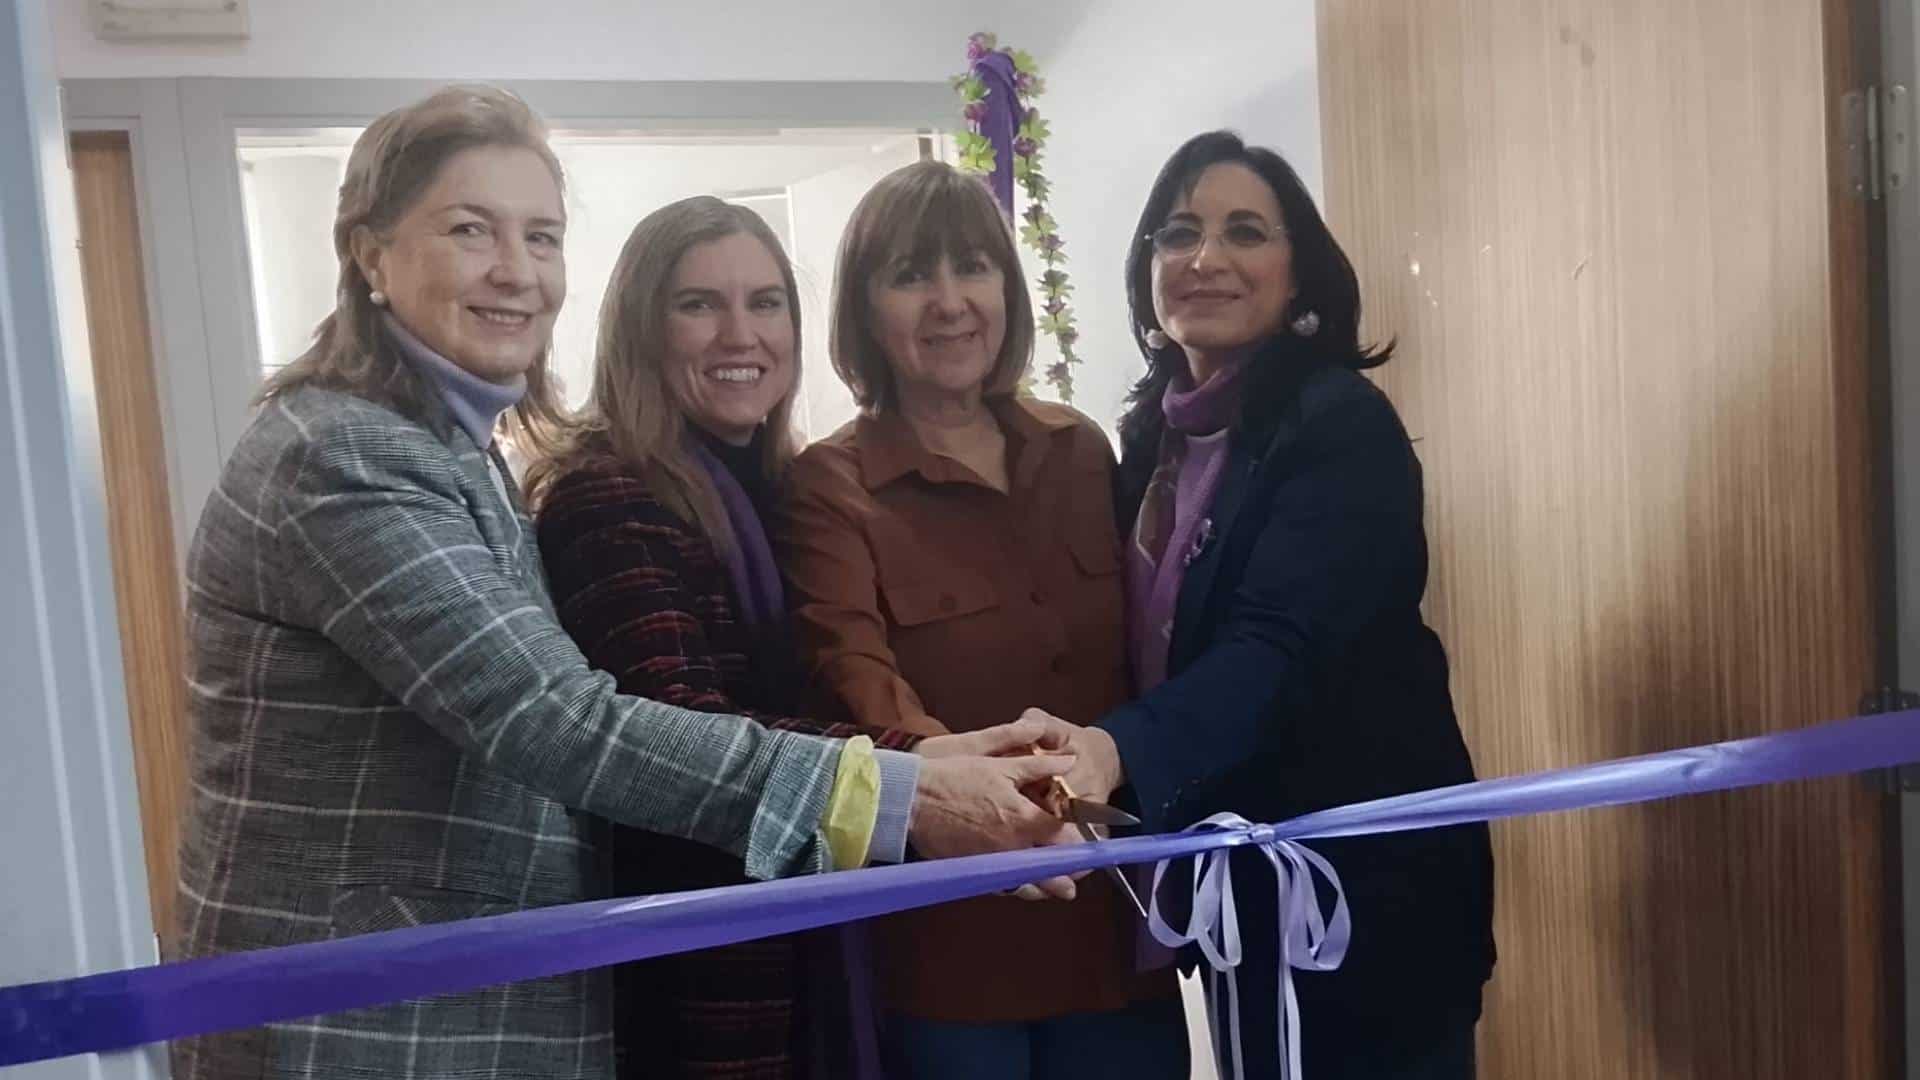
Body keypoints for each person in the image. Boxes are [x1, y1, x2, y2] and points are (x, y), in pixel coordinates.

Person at [170, 85, 1079, 1080]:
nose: (516, 271)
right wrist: (905, 791)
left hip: (484, 1007)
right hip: (370, 1030)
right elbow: (557, 721)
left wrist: (934, 764)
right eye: (472, 230)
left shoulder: (457, 450)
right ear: (371, 253)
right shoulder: (344, 454)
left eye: (542, 237)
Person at [1046, 130, 1497, 1079]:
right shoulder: (1153, 441)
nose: (1204, 257)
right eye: (1179, 233)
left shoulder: (1339, 425)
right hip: (1237, 884)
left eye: (1244, 232)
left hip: (1365, 896)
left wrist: (1114, 750)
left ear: (1301, 280)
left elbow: (1280, 647)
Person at [776, 160, 1188, 1080]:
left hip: (1115, 929)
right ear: (864, 309)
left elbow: (1149, 651)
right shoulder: (830, 486)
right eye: (910, 275)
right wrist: (982, 806)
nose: (950, 302)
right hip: (953, 944)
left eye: (972, 267)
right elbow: (856, 679)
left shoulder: (1079, 449)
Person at [529, 195, 924, 1078]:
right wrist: (925, 774)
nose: (741, 334)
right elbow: (680, 730)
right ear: (641, 327)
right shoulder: (606, 496)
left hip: (798, 934)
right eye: (699, 305)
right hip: (696, 967)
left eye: (765, 302)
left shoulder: (786, 488)